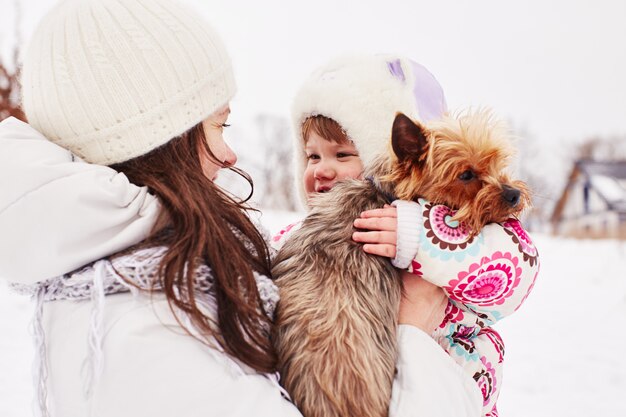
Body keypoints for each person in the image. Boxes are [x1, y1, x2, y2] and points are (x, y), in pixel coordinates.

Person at [0, 0, 482, 416]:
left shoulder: (142, 280)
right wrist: (413, 335)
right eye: (218, 127)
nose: (230, 155)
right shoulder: (148, 328)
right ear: (158, 140)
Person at [273, 54, 540, 417]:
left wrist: (418, 233)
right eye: (312, 157)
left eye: (342, 154)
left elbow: (513, 268)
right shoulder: (297, 237)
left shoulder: (469, 233)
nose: (322, 169)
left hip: (453, 391)